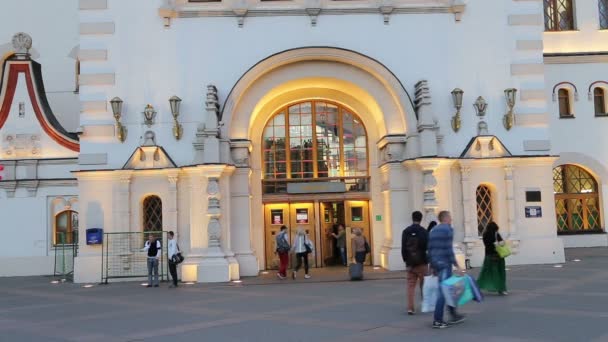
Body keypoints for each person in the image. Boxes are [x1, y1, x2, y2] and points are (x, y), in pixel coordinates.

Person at [428, 210, 466, 329]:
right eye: (450, 217)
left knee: (448, 289)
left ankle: (453, 314)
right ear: (445, 218)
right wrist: (457, 266)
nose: (451, 219)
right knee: (443, 291)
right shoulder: (448, 230)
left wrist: (432, 266)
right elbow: (448, 249)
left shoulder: (433, 230)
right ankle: (438, 320)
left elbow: (430, 248)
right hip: (445, 263)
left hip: (436, 262)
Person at [401, 211, 429, 315]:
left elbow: (403, 248)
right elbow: (427, 247)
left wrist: (406, 261)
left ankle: (410, 308)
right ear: (421, 219)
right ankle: (425, 305)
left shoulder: (406, 231)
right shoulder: (424, 232)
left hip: (410, 263)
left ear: (412, 218)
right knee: (424, 285)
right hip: (422, 262)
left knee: (410, 286)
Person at [477, 221, 507, 295]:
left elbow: (486, 245)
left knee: (486, 273)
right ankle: (501, 289)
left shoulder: (484, 235)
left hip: (488, 256)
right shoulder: (496, 234)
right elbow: (502, 243)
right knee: (500, 273)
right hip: (498, 256)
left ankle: (478, 287)